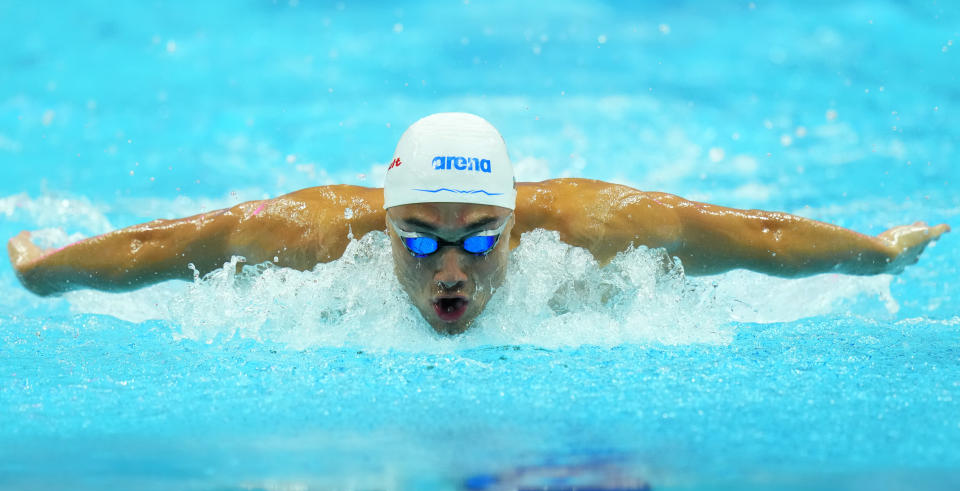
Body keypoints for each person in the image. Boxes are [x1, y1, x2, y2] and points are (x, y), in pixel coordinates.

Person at [6, 112, 950, 334]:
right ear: (381, 228)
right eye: (417, 237)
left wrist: (877, 256)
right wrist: (46, 272)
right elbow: (165, 247)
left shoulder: (587, 226)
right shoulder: (313, 235)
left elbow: (766, 242)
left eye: (475, 238)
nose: (447, 267)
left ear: (513, 219)